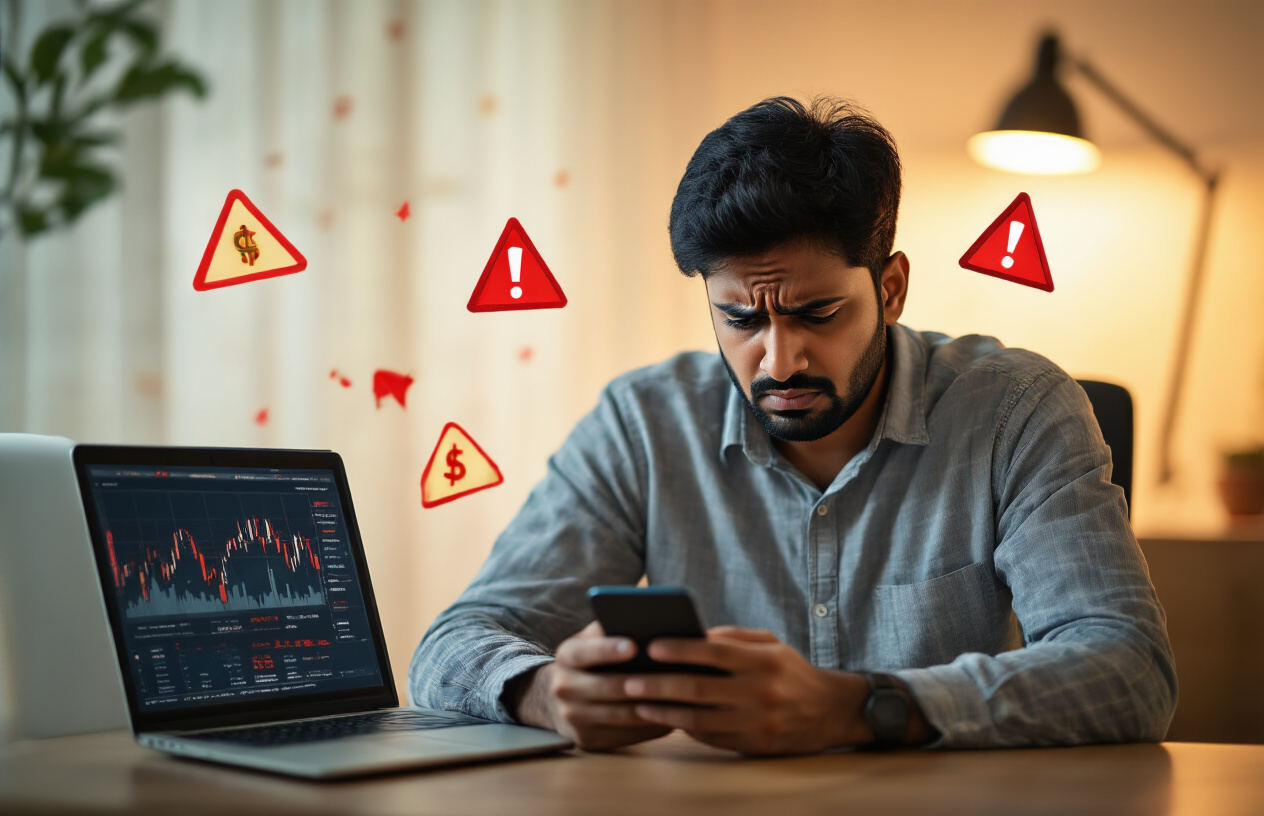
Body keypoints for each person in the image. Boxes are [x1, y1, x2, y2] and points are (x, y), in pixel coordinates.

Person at [409, 96, 1177, 754]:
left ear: (893, 286)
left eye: (818, 313)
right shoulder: (642, 423)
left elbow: (1130, 670)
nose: (779, 359)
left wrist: (856, 706)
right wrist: (545, 694)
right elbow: (452, 644)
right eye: (739, 317)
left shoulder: (1018, 411)